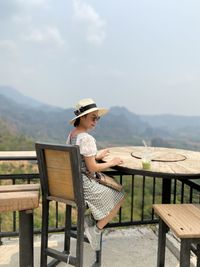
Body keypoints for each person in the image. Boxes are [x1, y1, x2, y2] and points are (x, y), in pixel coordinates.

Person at [66, 98, 124, 251]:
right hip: (84, 186)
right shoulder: (87, 138)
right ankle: (96, 229)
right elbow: (92, 168)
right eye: (93, 118)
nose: (95, 121)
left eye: (97, 118)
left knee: (114, 191)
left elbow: (81, 159)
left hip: (72, 185)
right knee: (120, 195)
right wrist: (112, 162)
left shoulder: (73, 135)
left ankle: (91, 220)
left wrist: (96, 155)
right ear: (82, 117)